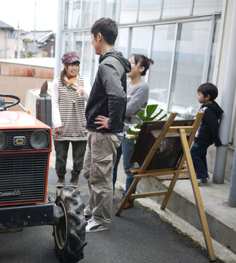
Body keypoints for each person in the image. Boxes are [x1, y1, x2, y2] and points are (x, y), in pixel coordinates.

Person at [83, 18, 131, 233]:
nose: (92, 43)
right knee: (91, 172)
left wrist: (113, 121)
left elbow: (118, 96)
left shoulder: (107, 64)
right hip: (98, 132)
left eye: (92, 39)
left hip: (104, 133)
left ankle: (100, 220)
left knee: (101, 177)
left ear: (99, 37)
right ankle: (93, 209)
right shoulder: (114, 61)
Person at [113, 54, 154, 209]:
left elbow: (129, 110)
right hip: (117, 130)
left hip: (131, 133)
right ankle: (108, 193)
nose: (128, 65)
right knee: (112, 165)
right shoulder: (125, 84)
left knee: (129, 167)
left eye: (131, 63)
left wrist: (114, 108)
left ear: (141, 68)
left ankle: (128, 198)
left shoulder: (142, 87)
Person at [52, 51, 91, 188]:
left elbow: (91, 99)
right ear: (64, 65)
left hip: (80, 123)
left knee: (79, 154)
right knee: (61, 155)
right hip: (62, 124)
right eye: (71, 64)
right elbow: (55, 104)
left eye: (76, 64)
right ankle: (61, 177)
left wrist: (83, 91)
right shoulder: (57, 83)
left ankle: (75, 178)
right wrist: (56, 122)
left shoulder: (84, 81)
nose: (74, 68)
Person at [190, 83, 223, 186]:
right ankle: (203, 175)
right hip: (203, 138)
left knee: (193, 155)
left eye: (199, 94)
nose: (198, 96)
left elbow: (213, 125)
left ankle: (201, 175)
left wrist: (217, 140)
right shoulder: (209, 107)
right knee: (201, 155)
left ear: (207, 97)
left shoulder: (208, 110)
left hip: (202, 138)